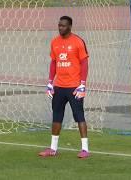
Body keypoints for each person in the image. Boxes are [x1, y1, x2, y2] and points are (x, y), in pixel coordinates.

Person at [38, 16, 89, 158]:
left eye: (63, 26)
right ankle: (53, 149)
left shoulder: (78, 42)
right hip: (59, 86)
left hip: (74, 87)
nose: (60, 28)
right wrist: (50, 82)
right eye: (59, 25)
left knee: (79, 116)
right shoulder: (54, 42)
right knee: (56, 116)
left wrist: (82, 84)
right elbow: (54, 62)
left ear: (70, 26)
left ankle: (85, 149)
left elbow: (84, 63)